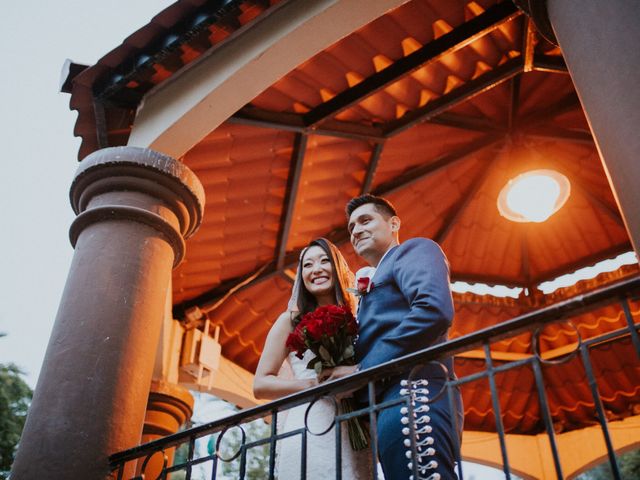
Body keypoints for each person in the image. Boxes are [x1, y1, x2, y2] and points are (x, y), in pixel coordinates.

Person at [322, 194, 463, 480]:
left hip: (416, 391)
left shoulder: (414, 250)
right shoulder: (372, 283)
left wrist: (362, 371)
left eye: (365, 220)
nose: (356, 230)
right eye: (351, 228)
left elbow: (432, 309)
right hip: (387, 405)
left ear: (394, 223)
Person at [253, 238, 373, 479]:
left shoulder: (360, 318)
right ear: (301, 275)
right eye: (307, 265)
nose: (316, 269)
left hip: (356, 426)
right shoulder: (289, 321)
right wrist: (312, 384)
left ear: (337, 268)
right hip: (310, 423)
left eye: (324, 261)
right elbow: (261, 385)